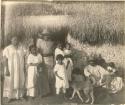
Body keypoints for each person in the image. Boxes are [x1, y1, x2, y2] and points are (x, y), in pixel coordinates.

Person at [3, 36, 26, 102]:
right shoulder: (7, 48)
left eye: (17, 40)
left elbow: (24, 58)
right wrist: (6, 69)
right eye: (14, 40)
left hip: (19, 68)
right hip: (11, 68)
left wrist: (24, 67)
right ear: (11, 40)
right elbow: (5, 59)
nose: (16, 41)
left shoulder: (21, 48)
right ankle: (10, 97)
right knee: (11, 81)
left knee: (20, 80)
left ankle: (20, 96)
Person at [36, 29, 55, 94]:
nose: (46, 37)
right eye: (45, 35)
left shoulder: (51, 42)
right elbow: (38, 51)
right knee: (44, 74)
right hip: (43, 58)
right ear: (43, 36)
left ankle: (51, 90)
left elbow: (53, 52)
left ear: (49, 36)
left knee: (51, 74)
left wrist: (54, 60)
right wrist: (40, 60)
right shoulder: (40, 42)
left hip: (50, 59)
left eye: (47, 35)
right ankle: (45, 90)